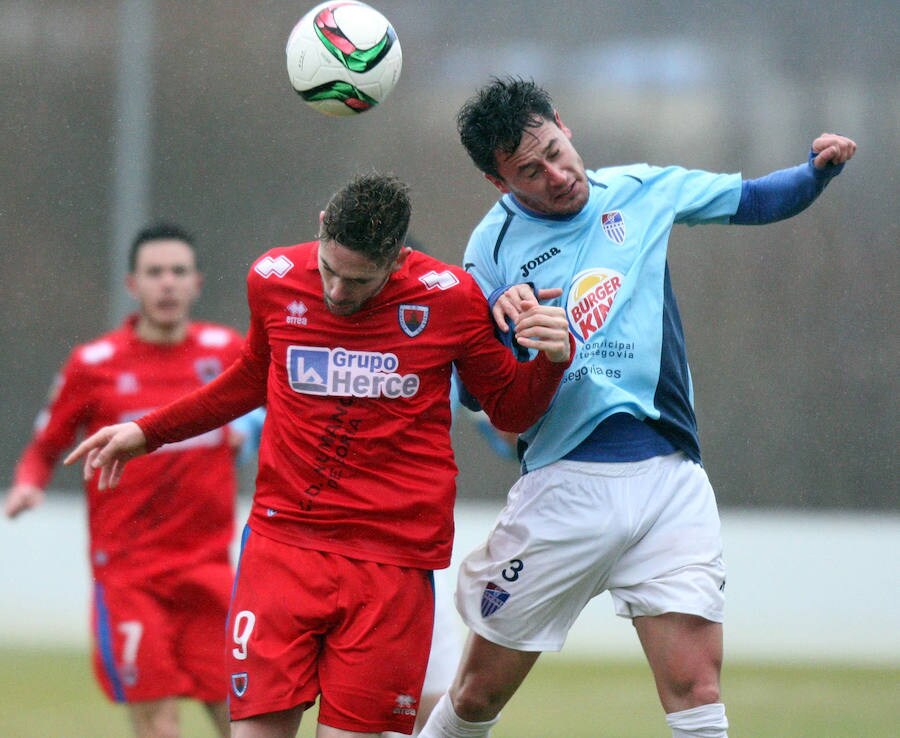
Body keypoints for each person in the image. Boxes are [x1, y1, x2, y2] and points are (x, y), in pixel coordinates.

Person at [418, 77, 857, 738]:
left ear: (564, 125)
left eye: (555, 150)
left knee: (696, 688)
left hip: (668, 480)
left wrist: (815, 172)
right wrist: (506, 336)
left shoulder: (642, 190)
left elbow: (754, 200)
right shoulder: (491, 249)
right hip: (564, 486)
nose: (556, 175)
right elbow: (480, 393)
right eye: (528, 171)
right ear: (498, 182)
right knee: (477, 696)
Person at [64, 172, 573, 738]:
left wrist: (551, 361)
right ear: (322, 228)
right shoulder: (273, 278)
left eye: (359, 281)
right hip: (284, 547)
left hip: (392, 563)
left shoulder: (450, 299)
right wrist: (148, 431)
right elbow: (252, 377)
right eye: (330, 270)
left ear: (397, 257)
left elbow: (509, 412)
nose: (337, 292)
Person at [4, 222, 250, 738]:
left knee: (242, 720)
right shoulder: (94, 364)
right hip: (130, 575)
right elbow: (46, 445)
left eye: (178, 272)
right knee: (158, 724)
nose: (167, 283)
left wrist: (247, 433)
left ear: (197, 283)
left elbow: (277, 411)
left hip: (208, 571)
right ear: (132, 285)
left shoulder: (226, 351)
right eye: (154, 272)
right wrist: (29, 483)